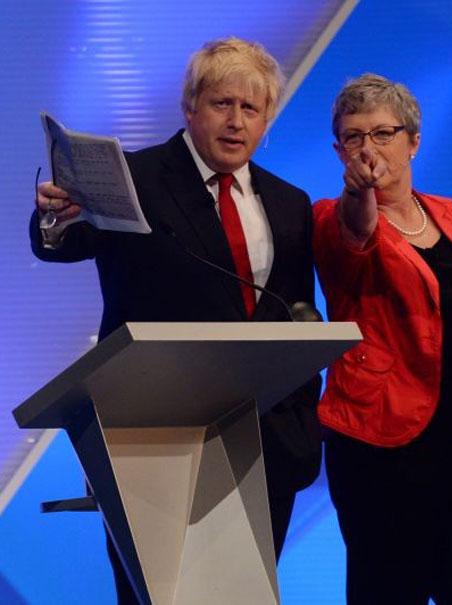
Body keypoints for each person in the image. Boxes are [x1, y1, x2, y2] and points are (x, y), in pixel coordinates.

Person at [30, 37, 320, 603]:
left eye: (251, 109)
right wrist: (54, 219)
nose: (236, 122)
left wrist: (301, 421)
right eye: (221, 104)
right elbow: (65, 242)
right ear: (190, 107)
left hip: (266, 446)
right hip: (155, 442)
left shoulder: (290, 203)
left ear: (267, 121)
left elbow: (293, 318)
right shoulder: (132, 178)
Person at [313, 73, 452, 605]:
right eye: (353, 136)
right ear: (339, 149)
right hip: (382, 447)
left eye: (382, 133)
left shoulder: (450, 212)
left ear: (413, 141)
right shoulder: (330, 216)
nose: (368, 148)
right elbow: (356, 234)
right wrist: (358, 188)